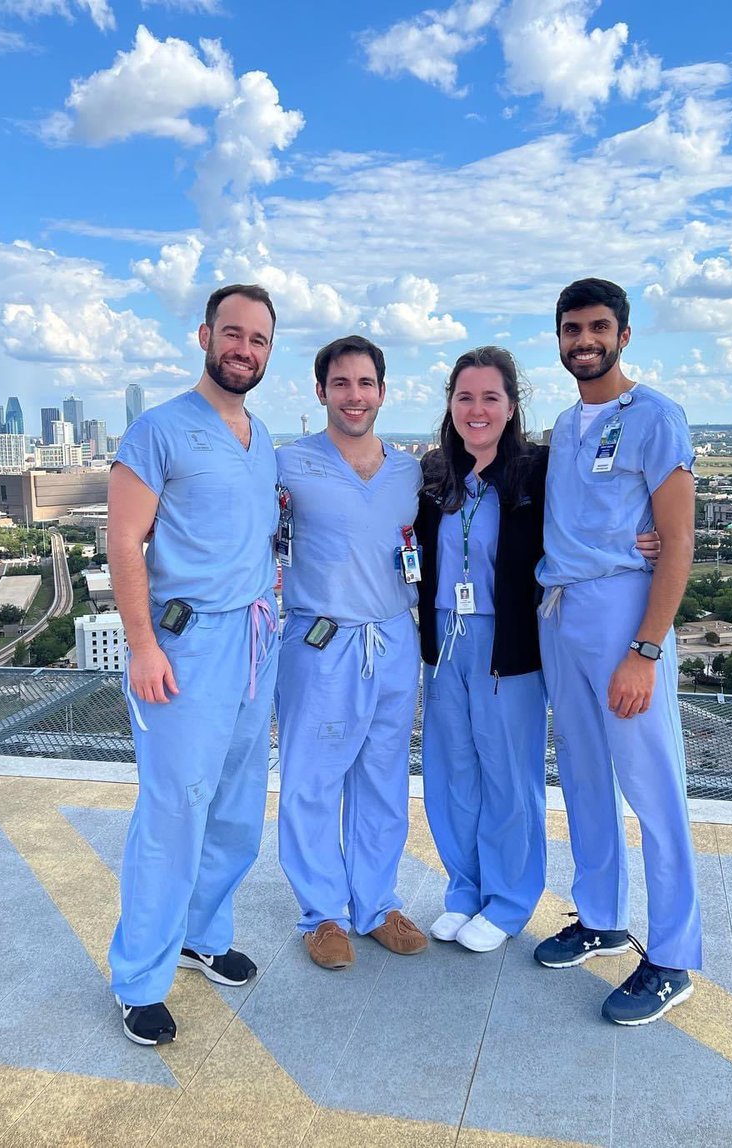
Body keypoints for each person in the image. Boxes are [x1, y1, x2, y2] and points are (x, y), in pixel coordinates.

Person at [106, 284, 280, 1046]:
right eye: (233, 334)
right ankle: (139, 977)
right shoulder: (160, 429)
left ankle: (202, 935)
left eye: (260, 340)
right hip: (182, 647)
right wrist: (143, 645)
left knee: (237, 805)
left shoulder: (260, 434)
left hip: (254, 642)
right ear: (206, 335)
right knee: (174, 812)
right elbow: (123, 541)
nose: (244, 350)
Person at [534, 277, 701, 1026]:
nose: (584, 340)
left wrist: (645, 647)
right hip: (560, 612)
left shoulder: (656, 416)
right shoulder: (567, 425)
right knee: (582, 776)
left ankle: (670, 957)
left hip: (621, 618)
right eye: (572, 329)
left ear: (624, 334)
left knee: (652, 786)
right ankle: (601, 915)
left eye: (598, 327)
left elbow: (679, 541)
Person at [275, 335, 427, 970]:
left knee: (384, 778)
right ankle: (323, 915)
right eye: (341, 384)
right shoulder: (287, 463)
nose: (354, 396)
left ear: (383, 393)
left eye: (366, 384)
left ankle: (376, 904)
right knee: (312, 779)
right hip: (322, 641)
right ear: (320, 392)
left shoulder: (409, 470)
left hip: (394, 639)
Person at [414, 347, 550, 954]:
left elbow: (594, 521)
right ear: (450, 404)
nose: (476, 409)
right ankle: (464, 891)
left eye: (490, 397)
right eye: (464, 397)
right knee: (451, 775)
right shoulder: (436, 475)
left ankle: (510, 900)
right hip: (444, 643)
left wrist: (644, 540)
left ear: (512, 406)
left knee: (509, 778)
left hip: (506, 647)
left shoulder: (537, 473)